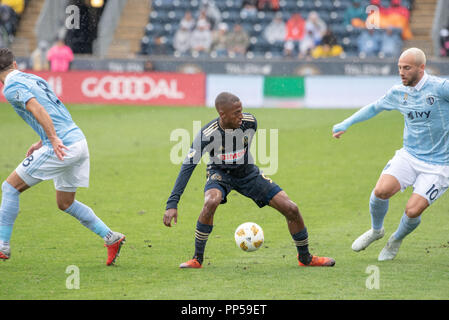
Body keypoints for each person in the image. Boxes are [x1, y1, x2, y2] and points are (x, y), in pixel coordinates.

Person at [164, 92, 335, 268]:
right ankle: (197, 259)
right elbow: (187, 166)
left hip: (248, 173)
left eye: (241, 110)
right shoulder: (207, 134)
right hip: (220, 174)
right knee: (211, 201)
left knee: (291, 209)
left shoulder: (250, 122)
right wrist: (172, 204)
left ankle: (305, 258)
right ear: (222, 114)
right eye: (236, 112)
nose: (241, 116)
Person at [0, 48, 125, 265]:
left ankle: (2, 245)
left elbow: (38, 109)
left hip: (61, 146)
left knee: (10, 188)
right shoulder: (33, 78)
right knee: (65, 202)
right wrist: (42, 140)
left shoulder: (11, 87)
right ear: (15, 64)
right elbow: (56, 108)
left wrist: (53, 139)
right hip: (78, 141)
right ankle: (111, 237)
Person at [332, 48, 449, 261]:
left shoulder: (441, 88)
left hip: (440, 165)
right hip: (410, 155)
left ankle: (395, 239)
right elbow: (375, 108)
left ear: (421, 68)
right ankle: (376, 230)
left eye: (407, 68)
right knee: (381, 191)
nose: (401, 72)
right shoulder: (398, 92)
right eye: (399, 68)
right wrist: (347, 123)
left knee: (413, 211)